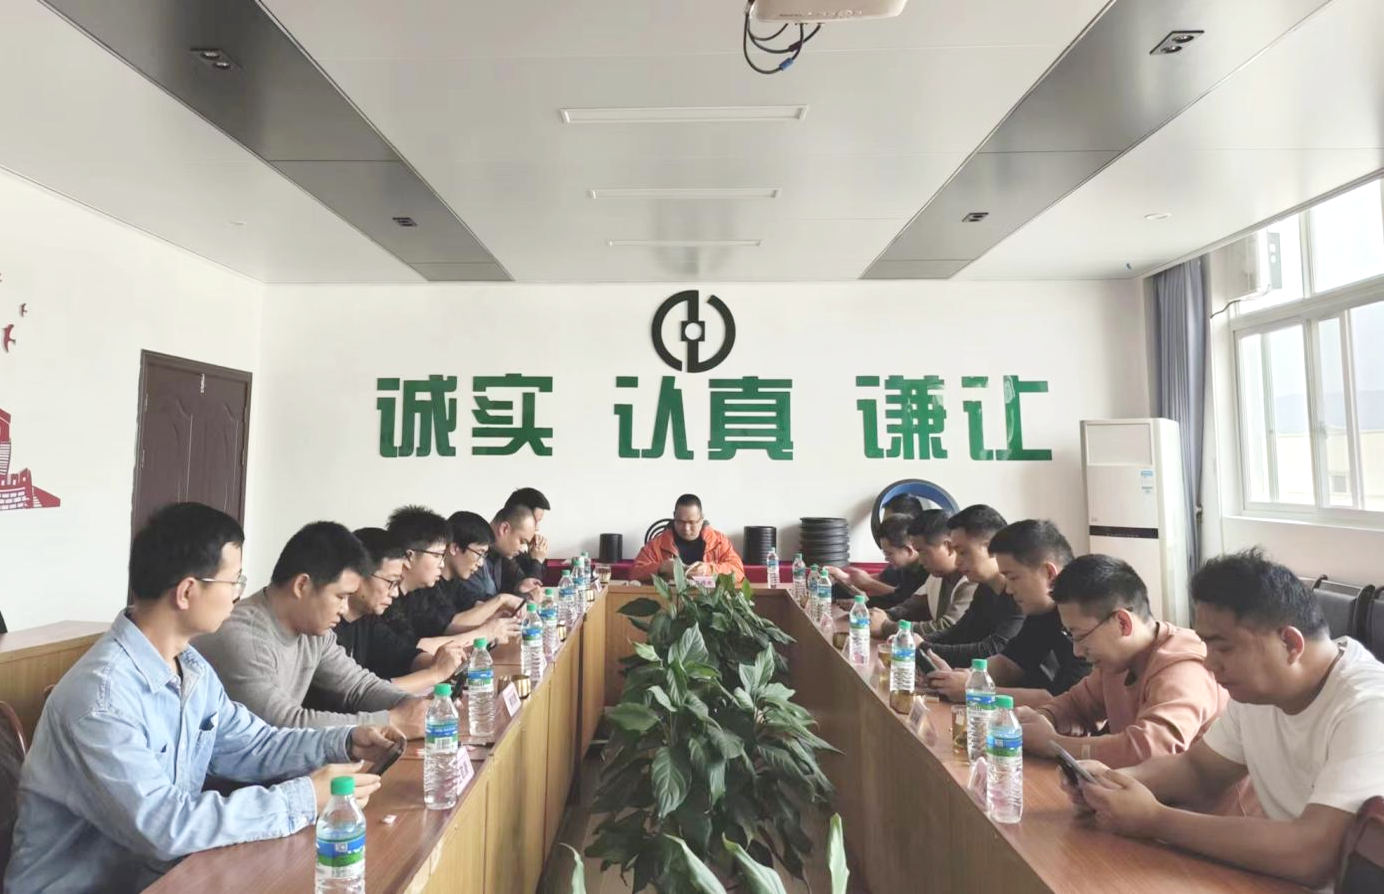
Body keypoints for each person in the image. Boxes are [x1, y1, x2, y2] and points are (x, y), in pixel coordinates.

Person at [3, 503, 399, 894]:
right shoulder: (101, 698)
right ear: (188, 591)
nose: (238, 595)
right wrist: (305, 798)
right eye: (233, 582)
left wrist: (344, 740)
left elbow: (254, 744)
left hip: (160, 877)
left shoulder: (190, 667)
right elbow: (164, 826)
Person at [1063, 549, 1384, 891]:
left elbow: (1313, 855)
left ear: (1290, 643)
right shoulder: (1258, 692)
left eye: (1224, 648)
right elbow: (1198, 770)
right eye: (1206, 645)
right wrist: (1112, 783)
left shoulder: (1368, 706)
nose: (1209, 663)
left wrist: (1155, 820)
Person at [195, 521, 428, 737]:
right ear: (302, 585)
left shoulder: (314, 631)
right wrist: (391, 722)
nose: (344, 608)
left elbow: (359, 686)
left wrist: (415, 706)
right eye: (341, 597)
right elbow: (282, 725)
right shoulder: (244, 637)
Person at [1015, 554, 1226, 767]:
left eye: (1079, 635)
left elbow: (1151, 750)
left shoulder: (1183, 667)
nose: (1076, 651)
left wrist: (1054, 745)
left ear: (1122, 623)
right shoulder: (1118, 662)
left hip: (1190, 790)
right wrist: (1040, 719)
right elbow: (1077, 705)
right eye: (1070, 635)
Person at [925, 519, 1089, 707]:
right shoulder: (1044, 610)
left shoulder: (1086, 615)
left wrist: (974, 691)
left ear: (1049, 573)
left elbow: (1064, 701)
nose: (1009, 590)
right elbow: (1010, 663)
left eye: (1013, 578)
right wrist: (963, 677)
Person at [334, 527, 470, 696]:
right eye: (390, 582)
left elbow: (404, 655)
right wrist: (435, 673)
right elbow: (359, 693)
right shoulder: (327, 630)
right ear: (357, 576)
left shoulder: (367, 619)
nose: (394, 593)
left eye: (397, 584)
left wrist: (444, 663)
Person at [383, 508, 520, 645]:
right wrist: (486, 630)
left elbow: (464, 614)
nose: (442, 564)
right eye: (437, 555)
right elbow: (416, 648)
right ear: (409, 556)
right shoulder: (389, 601)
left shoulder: (418, 592)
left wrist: (493, 622)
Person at [915, 505, 1023, 667]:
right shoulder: (985, 588)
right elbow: (959, 631)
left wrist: (924, 647)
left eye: (963, 552)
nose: (957, 561)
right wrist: (917, 641)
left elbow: (994, 649)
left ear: (992, 548)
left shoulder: (1020, 594)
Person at [869, 509, 976, 639]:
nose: (920, 560)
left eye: (923, 552)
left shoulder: (971, 580)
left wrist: (886, 626)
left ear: (948, 546)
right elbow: (912, 606)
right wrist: (882, 616)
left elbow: (948, 627)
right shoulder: (936, 576)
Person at [631, 494, 746, 584]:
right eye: (680, 522)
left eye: (692, 522)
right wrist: (661, 568)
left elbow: (738, 572)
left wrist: (708, 570)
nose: (686, 528)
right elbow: (634, 573)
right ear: (674, 516)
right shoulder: (658, 544)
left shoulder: (718, 542)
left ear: (701, 519)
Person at [824, 514, 927, 606]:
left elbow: (905, 599)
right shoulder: (902, 567)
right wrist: (845, 578)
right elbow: (889, 587)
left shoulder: (927, 571)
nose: (886, 558)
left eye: (889, 554)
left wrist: (868, 585)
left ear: (909, 550)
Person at [504, 486, 551, 580]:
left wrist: (532, 554)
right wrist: (537, 560)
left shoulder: (519, 549)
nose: (537, 528)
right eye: (535, 521)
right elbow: (529, 585)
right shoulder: (504, 549)